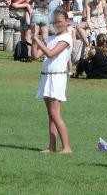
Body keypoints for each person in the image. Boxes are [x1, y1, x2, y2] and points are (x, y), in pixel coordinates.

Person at [32, 8, 72, 154]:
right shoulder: (50, 38)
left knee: (55, 114)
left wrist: (38, 40)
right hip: (46, 76)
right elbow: (35, 56)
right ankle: (52, 146)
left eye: (60, 22)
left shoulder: (66, 38)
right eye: (54, 22)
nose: (57, 24)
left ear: (67, 22)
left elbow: (50, 54)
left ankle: (67, 147)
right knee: (51, 114)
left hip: (57, 77)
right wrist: (34, 40)